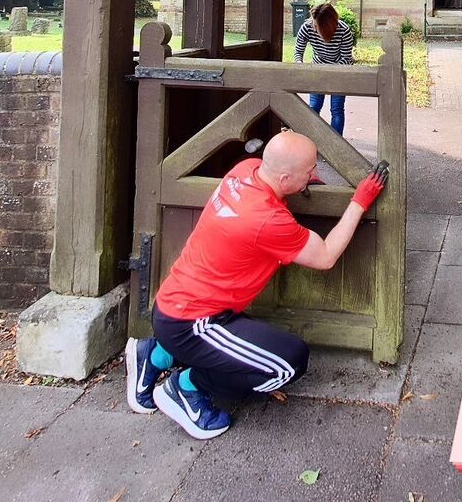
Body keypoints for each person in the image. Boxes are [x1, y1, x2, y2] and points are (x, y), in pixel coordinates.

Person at [125, 131, 388, 439]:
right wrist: (360, 200)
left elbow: (276, 187)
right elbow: (326, 256)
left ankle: (156, 355)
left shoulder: (246, 170)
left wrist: (297, 180)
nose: (314, 175)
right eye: (309, 172)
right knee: (287, 364)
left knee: (262, 348)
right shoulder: (267, 220)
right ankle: (186, 388)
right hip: (193, 323)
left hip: (175, 305)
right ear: (286, 176)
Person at [294, 2, 355, 136]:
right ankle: (311, 140)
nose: (315, 28)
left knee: (337, 109)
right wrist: (299, 64)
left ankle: (336, 144)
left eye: (318, 26)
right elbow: (298, 50)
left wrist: (330, 73)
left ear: (328, 25)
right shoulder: (307, 27)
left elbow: (346, 59)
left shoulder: (344, 30)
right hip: (318, 71)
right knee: (314, 107)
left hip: (339, 73)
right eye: (314, 25)